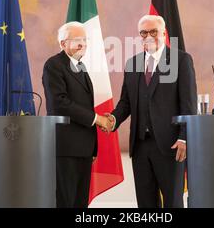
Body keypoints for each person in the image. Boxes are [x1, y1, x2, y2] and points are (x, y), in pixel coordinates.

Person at [108, 15, 197, 208]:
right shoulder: (132, 63)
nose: (149, 36)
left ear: (164, 33)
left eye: (153, 32)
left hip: (171, 146)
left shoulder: (181, 60)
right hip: (140, 147)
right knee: (145, 205)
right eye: (144, 33)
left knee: (173, 203)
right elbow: (126, 103)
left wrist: (184, 138)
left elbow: (188, 105)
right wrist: (113, 120)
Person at [42, 21, 112, 208]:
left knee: (80, 204)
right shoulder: (54, 65)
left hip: (84, 148)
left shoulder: (81, 66)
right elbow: (60, 103)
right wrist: (98, 119)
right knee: (65, 202)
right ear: (63, 44)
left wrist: (92, 145)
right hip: (65, 148)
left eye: (84, 39)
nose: (82, 44)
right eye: (76, 40)